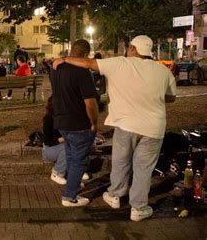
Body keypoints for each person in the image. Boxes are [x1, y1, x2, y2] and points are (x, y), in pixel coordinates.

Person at [53, 35, 176, 221]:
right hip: (153, 126)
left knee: (121, 161)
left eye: (130, 47)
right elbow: (171, 97)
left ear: (133, 49)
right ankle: (139, 208)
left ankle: (115, 195)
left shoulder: (120, 64)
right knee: (143, 169)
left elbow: (88, 63)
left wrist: (64, 59)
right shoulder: (163, 71)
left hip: (125, 123)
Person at [51, 39, 98, 207]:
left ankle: (74, 183)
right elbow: (90, 103)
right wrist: (94, 122)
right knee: (79, 160)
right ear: (86, 54)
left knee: (71, 156)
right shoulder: (83, 72)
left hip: (61, 120)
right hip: (79, 122)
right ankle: (69, 196)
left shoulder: (56, 68)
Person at [42, 96, 90, 185]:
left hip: (64, 145)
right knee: (67, 146)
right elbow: (47, 141)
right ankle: (57, 173)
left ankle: (77, 170)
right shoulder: (48, 119)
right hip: (50, 149)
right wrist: (65, 138)